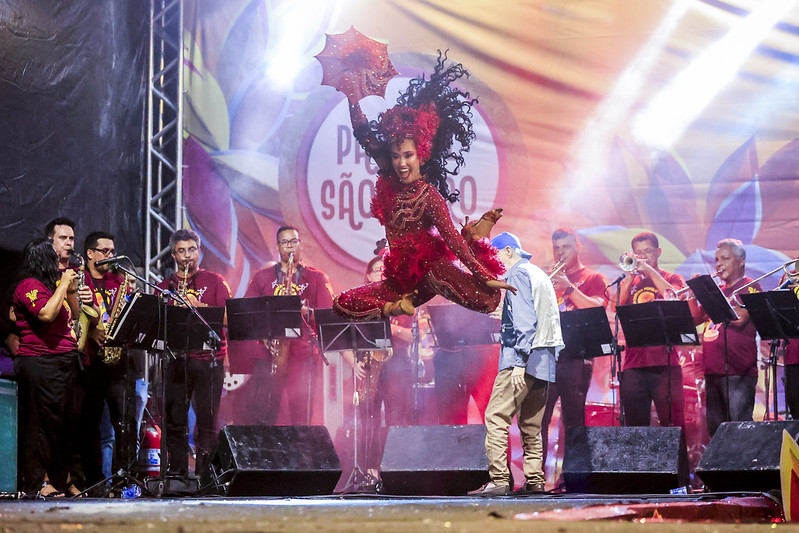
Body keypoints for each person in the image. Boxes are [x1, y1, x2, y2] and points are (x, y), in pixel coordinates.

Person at [333, 53, 513, 322]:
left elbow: (451, 239)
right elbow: (362, 132)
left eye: (407, 156)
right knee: (342, 303)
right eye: (395, 157)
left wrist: (483, 276)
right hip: (400, 285)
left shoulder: (429, 196)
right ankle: (393, 310)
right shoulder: (389, 178)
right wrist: (351, 93)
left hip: (431, 273)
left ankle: (476, 234)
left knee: (488, 300)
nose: (401, 164)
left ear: (422, 154)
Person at [468, 233, 563, 496]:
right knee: (531, 425)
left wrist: (519, 361)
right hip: (543, 359)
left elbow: (525, 322)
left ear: (508, 251)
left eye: (495, 256)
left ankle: (499, 480)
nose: (492, 265)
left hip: (520, 360)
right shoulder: (538, 274)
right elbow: (536, 316)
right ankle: (535, 481)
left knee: (495, 417)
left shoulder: (517, 275)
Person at [12, 237, 94, 497]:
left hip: (64, 361)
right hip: (39, 362)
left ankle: (60, 478)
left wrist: (70, 290)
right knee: (39, 426)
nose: (60, 259)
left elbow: (74, 310)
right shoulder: (28, 285)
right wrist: (64, 285)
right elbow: (46, 315)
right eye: (53, 256)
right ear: (43, 259)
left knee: (65, 426)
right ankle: (37, 482)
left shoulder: (52, 285)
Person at [157, 228, 231, 477]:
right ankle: (177, 475)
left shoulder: (215, 281)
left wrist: (200, 308)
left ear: (199, 251)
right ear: (173, 255)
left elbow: (230, 318)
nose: (187, 255)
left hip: (209, 362)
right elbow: (155, 325)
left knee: (207, 425)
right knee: (174, 422)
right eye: (181, 251)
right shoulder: (163, 287)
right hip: (177, 361)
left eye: (191, 249)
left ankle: (204, 476)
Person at [243, 225, 334, 425]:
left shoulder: (316, 278)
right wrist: (264, 336)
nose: (290, 247)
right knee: (263, 413)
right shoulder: (263, 277)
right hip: (269, 353)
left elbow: (329, 315)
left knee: (301, 415)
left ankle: (300, 455)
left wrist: (306, 312)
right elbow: (247, 313)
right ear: (277, 246)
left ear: (300, 244)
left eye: (294, 241)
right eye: (285, 242)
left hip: (302, 354)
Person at [342, 256, 414, 485]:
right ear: (368, 275)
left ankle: (392, 470)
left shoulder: (402, 300)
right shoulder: (360, 301)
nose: (380, 272)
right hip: (366, 366)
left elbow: (411, 336)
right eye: (375, 269)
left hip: (397, 365)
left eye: (384, 269)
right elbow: (343, 339)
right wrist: (354, 364)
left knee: (394, 420)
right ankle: (369, 471)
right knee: (367, 422)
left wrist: (387, 324)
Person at [77, 231, 139, 491]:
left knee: (125, 423)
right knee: (89, 424)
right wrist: (92, 330)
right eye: (105, 251)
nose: (110, 256)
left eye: (113, 251)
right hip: (91, 363)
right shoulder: (81, 279)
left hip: (119, 362)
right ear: (90, 253)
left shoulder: (119, 280)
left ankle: (123, 479)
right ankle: (93, 481)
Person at [541, 228, 608, 470]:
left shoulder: (593, 278)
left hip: (576, 359)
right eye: (556, 248)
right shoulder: (545, 278)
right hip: (546, 358)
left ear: (578, 246)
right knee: (538, 421)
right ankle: (534, 478)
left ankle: (574, 477)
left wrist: (569, 288)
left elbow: (596, 310)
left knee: (573, 422)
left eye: (566, 247)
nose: (560, 253)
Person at [690, 239, 761, 437]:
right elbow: (696, 319)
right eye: (717, 259)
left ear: (741, 261)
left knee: (739, 432)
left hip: (738, 371)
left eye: (725, 259)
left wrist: (708, 292)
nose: (718, 264)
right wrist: (693, 295)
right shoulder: (717, 291)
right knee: (717, 434)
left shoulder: (751, 286)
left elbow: (739, 318)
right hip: (713, 370)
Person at [615, 232, 686, 428]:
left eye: (648, 251)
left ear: (659, 252)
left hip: (665, 364)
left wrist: (651, 272)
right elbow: (615, 308)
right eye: (638, 253)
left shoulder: (672, 277)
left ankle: (679, 461)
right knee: (635, 430)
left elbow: (674, 298)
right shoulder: (631, 282)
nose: (643, 257)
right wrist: (629, 278)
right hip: (633, 365)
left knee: (673, 427)